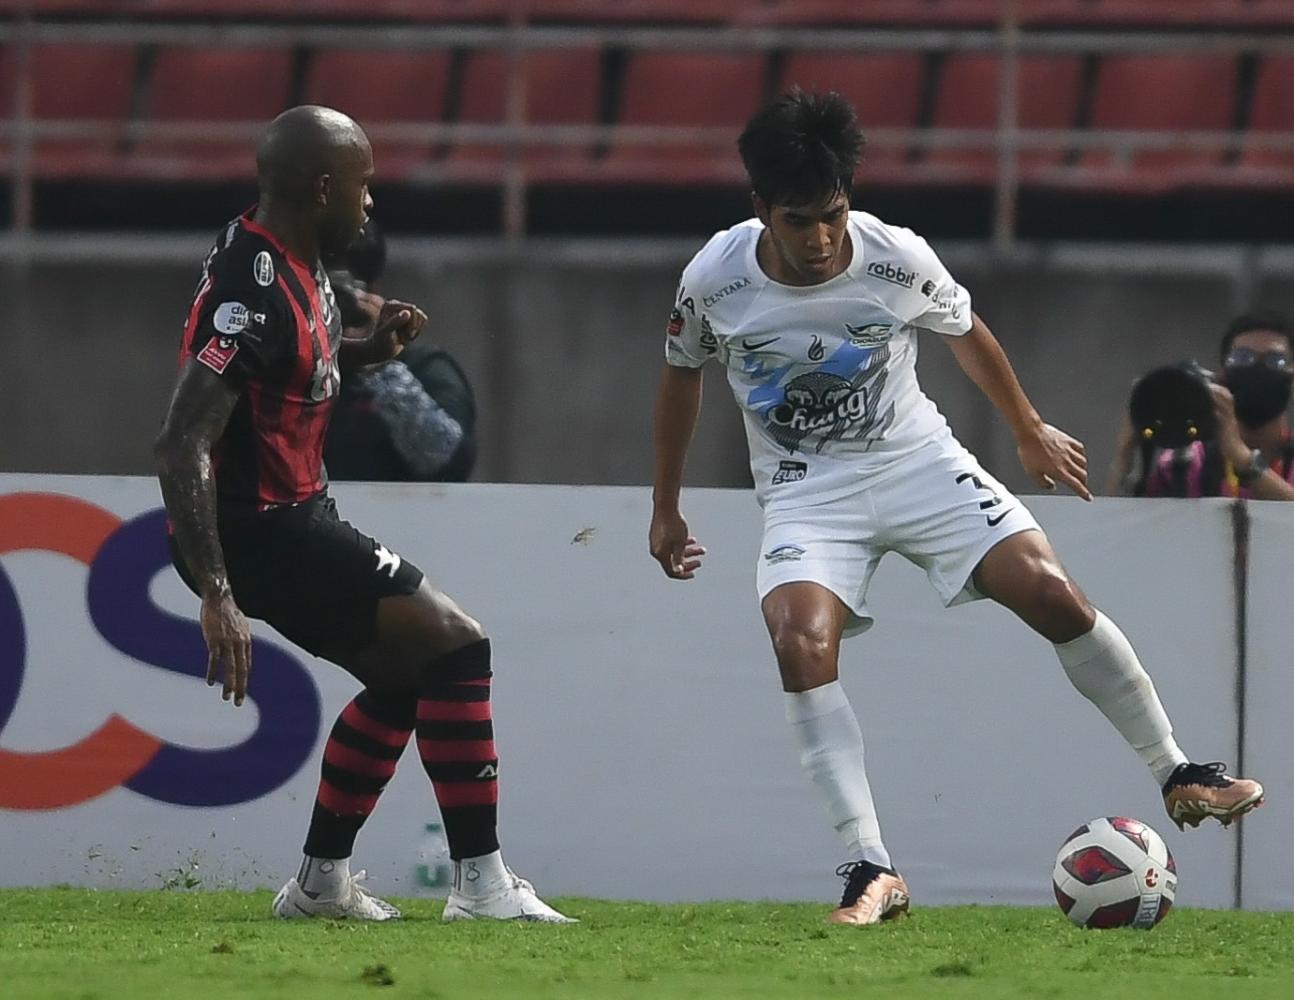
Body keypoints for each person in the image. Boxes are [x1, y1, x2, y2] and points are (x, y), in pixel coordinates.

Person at [648, 90, 1264, 926]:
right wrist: (667, 507)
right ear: (762, 210)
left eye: (833, 213)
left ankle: (1178, 772)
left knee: (1053, 594)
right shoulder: (714, 280)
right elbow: (681, 374)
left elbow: (966, 331)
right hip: (806, 490)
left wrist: (1028, 428)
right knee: (798, 642)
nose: (822, 237)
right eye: (799, 221)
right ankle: (871, 868)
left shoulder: (895, 257)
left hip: (918, 464)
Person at [155, 105, 571, 923]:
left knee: (402, 676)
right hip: (264, 526)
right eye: (363, 183)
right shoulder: (254, 287)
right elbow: (180, 441)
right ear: (321, 187)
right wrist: (217, 592)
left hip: (285, 514)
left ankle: (320, 885)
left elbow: (283, 365)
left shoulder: (290, 256)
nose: (371, 201)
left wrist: (367, 356)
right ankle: (481, 885)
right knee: (457, 643)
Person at [324, 219, 478, 483]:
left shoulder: (424, 368)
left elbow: (450, 463)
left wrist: (376, 359)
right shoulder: (283, 368)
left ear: (372, 292)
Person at [1108, 312, 1294, 500]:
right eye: (1242, 358)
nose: (1256, 369)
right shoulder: (1186, 464)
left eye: (1275, 361)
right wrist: (1125, 453)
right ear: (1222, 374)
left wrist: (1241, 456)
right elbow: (1117, 523)